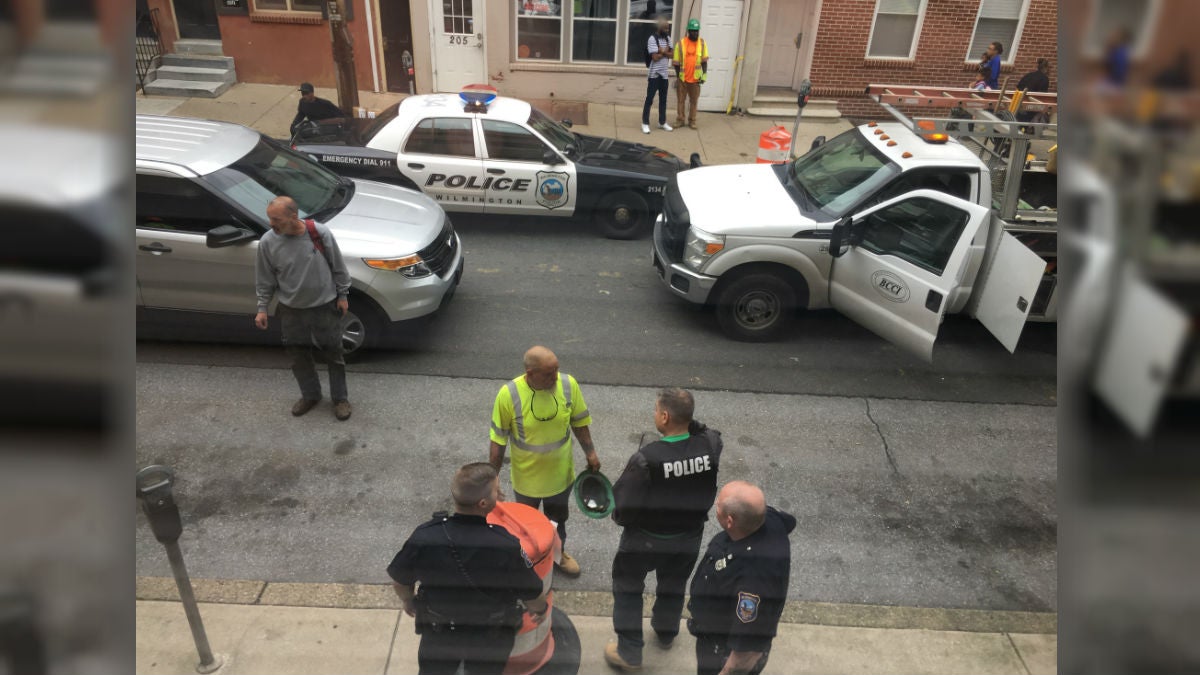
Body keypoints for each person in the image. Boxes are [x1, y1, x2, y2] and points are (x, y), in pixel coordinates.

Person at [387, 463, 548, 675]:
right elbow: (532, 593)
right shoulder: (504, 545)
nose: (500, 493)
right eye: (496, 490)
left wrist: (408, 600)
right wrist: (540, 610)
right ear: (483, 503)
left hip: (440, 633)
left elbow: (400, 580)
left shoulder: (426, 536)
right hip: (489, 638)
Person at [604, 388, 723, 671]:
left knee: (628, 588)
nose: (655, 414)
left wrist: (621, 519)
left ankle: (630, 653)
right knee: (673, 585)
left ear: (665, 416)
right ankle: (666, 632)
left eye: (657, 411)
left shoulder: (647, 458)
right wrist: (687, 419)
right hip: (689, 537)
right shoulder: (710, 445)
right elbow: (708, 431)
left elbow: (622, 506)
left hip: (645, 540)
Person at [489, 345, 600, 577]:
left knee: (557, 520)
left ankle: (558, 556)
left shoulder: (568, 385)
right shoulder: (508, 395)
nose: (555, 377)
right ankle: (526, 562)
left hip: (560, 476)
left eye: (556, 370)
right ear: (530, 374)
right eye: (549, 373)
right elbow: (498, 441)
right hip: (526, 480)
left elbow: (579, 422)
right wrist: (492, 478)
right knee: (524, 525)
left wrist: (590, 452)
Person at [254, 196, 353, 421]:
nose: (271, 223)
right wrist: (262, 308)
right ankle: (310, 395)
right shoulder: (268, 242)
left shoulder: (319, 234)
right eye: (270, 218)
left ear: (293, 217)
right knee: (298, 356)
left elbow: (339, 266)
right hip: (291, 310)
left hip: (324, 306)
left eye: (276, 219)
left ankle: (340, 399)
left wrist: (343, 295)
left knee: (334, 355)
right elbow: (264, 279)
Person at [687, 481, 796, 675]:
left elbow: (748, 649)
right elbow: (789, 521)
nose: (715, 505)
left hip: (721, 650)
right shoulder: (768, 519)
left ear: (730, 521)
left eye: (718, 504)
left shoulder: (754, 582)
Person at [672, 18, 709, 130]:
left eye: (697, 30)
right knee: (681, 101)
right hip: (683, 79)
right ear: (689, 31)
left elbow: (704, 62)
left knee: (694, 102)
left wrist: (704, 75)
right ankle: (680, 120)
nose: (695, 33)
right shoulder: (681, 43)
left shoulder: (702, 43)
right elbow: (676, 63)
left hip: (695, 80)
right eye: (693, 31)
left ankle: (692, 121)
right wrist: (679, 76)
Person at [641, 16, 674, 135]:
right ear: (659, 27)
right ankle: (645, 123)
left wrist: (662, 51)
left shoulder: (668, 39)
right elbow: (654, 57)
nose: (667, 30)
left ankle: (662, 122)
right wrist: (665, 52)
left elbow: (672, 55)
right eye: (665, 28)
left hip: (664, 75)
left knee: (663, 100)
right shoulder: (652, 39)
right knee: (649, 99)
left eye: (668, 28)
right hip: (654, 74)